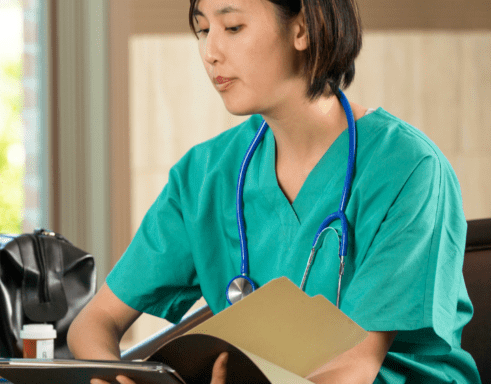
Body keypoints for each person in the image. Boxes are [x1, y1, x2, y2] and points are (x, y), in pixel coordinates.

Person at [68, 0, 479, 383]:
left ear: (302, 28)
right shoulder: (205, 175)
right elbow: (96, 320)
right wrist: (111, 374)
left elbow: (354, 365)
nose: (210, 51)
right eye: (202, 29)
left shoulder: (409, 170)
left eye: (232, 26)